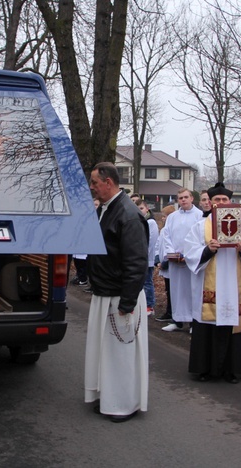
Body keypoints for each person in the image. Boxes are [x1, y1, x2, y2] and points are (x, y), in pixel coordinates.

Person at [85, 162, 149, 423]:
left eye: (94, 183)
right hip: (105, 292)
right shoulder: (108, 209)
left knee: (121, 354)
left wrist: (127, 302)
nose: (92, 187)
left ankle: (123, 404)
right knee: (106, 353)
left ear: (108, 182)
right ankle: (109, 396)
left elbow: (136, 263)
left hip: (120, 297)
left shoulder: (129, 215)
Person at [184, 183, 241, 383]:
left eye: (224, 200)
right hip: (209, 286)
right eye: (217, 200)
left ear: (230, 202)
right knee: (208, 324)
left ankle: (232, 370)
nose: (221, 203)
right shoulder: (200, 227)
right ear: (210, 203)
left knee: (232, 323)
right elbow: (190, 253)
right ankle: (204, 369)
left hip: (233, 287)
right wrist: (208, 250)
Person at [161, 188, 203, 331]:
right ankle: (177, 320)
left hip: (191, 261)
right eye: (180, 198)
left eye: (186, 197)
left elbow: (201, 237)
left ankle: (193, 322)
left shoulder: (199, 215)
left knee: (192, 290)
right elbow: (166, 235)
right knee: (176, 290)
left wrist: (189, 255)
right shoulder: (172, 217)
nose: (183, 200)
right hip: (175, 260)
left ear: (192, 198)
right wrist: (171, 253)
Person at [154, 205, 176, 323]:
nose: (163, 218)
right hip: (163, 264)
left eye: (165, 216)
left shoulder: (173, 230)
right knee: (168, 290)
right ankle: (169, 311)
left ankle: (173, 313)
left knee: (174, 291)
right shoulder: (163, 230)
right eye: (162, 216)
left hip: (170, 265)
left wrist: (166, 262)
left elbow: (172, 248)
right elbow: (158, 245)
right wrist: (157, 259)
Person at [136, 200, 159, 316]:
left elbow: (151, 241)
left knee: (147, 282)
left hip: (146, 258)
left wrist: (143, 256)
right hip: (138, 258)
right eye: (137, 208)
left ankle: (150, 305)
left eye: (141, 208)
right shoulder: (139, 222)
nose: (139, 211)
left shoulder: (151, 223)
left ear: (147, 209)